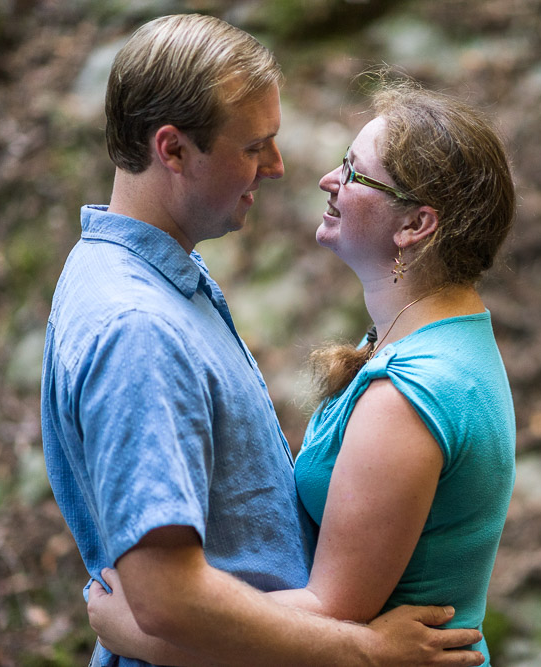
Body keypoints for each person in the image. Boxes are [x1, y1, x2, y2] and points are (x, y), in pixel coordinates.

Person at [40, 13, 485, 667]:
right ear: (173, 150)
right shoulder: (137, 329)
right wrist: (362, 651)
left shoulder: (160, 277)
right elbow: (164, 599)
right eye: (254, 146)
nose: (276, 167)